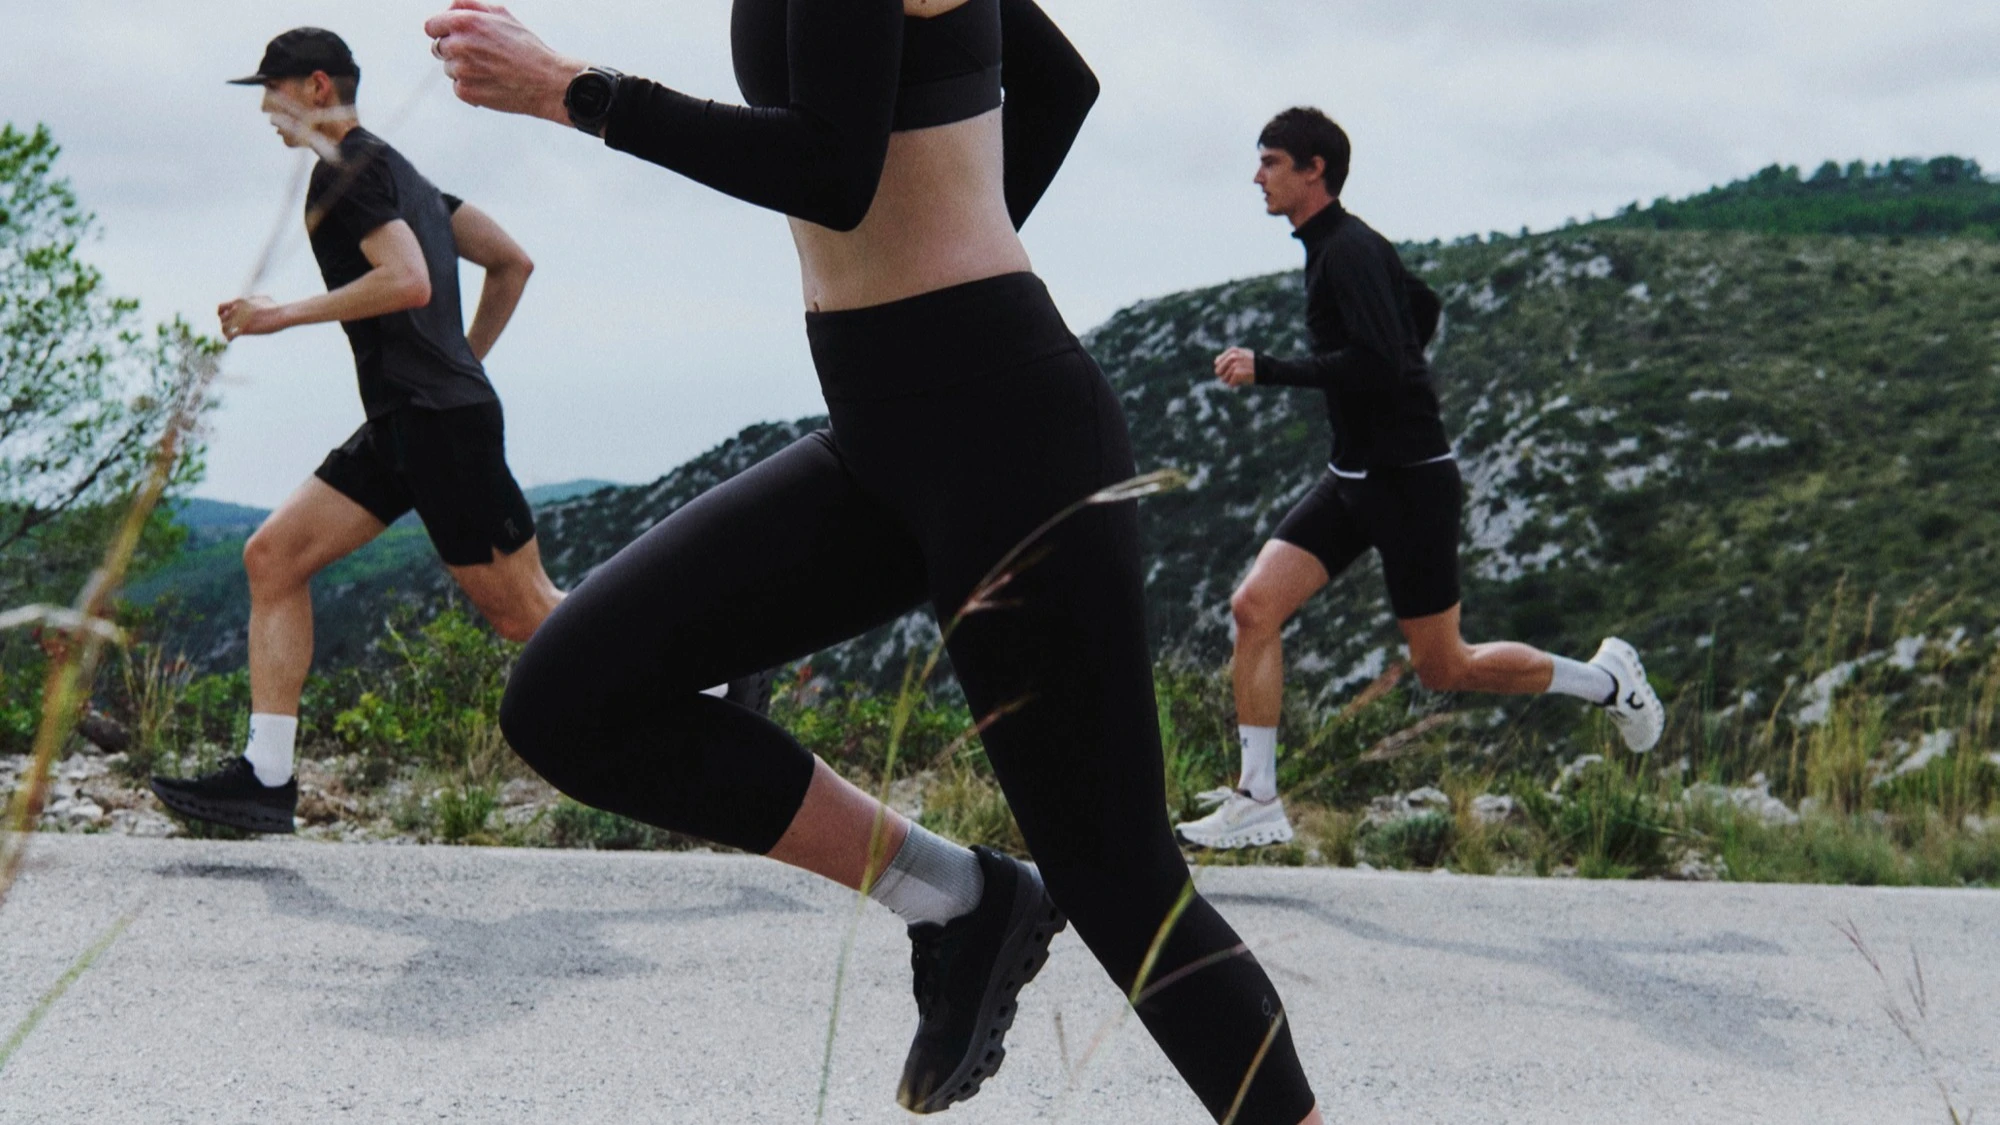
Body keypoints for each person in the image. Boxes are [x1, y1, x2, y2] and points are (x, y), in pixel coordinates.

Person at [422, 1, 1323, 1120]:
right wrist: (923, 292)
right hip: (880, 432)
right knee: (569, 697)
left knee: (1121, 885)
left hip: (1005, 437)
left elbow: (828, 166)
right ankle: (962, 900)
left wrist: (573, 90)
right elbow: (1055, 86)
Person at [1178, 107, 1664, 851]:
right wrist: (1391, 376)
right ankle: (1257, 798)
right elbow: (1421, 309)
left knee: (1444, 666)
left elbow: (1379, 361)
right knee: (1253, 607)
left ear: (1315, 169)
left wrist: (1269, 368)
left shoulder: (1348, 250)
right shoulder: (1333, 248)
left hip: (1408, 484)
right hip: (1352, 477)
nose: (1257, 176)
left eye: (1271, 161)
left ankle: (1606, 681)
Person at [149, 28, 565, 835]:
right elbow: (511, 261)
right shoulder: (400, 172)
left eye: (271, 90)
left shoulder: (345, 172)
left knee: (525, 615)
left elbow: (407, 280)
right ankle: (266, 779)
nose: (266, 110)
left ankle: (715, 682)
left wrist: (280, 314)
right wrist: (464, 360)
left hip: (437, 426)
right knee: (272, 556)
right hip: (412, 419)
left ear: (314, 86)